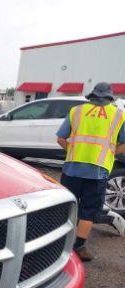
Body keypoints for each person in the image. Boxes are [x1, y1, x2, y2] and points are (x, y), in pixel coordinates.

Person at [56, 82, 125, 261]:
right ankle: (78, 247)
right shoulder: (118, 115)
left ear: (91, 95)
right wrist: (110, 152)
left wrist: (73, 150)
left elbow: (60, 138)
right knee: (89, 211)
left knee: (67, 207)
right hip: (97, 170)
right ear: (110, 97)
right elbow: (123, 144)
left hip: (71, 168)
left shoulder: (76, 111)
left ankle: (57, 242)